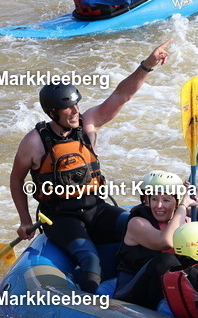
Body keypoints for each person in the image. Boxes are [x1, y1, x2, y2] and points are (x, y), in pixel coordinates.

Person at [10, 41, 171, 293]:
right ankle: (93, 307)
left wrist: (147, 66)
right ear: (53, 113)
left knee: (141, 225)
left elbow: (121, 96)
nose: (76, 111)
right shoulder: (34, 143)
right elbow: (16, 180)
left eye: (77, 104)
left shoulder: (87, 125)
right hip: (61, 217)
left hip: (96, 208)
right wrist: (24, 219)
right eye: (69, 108)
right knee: (90, 260)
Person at [114, 170, 191, 307]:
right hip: (130, 293)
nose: (158, 206)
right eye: (154, 199)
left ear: (176, 202)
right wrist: (183, 206)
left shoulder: (184, 220)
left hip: (166, 288)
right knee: (165, 260)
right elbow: (165, 241)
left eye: (166, 200)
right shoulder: (137, 223)